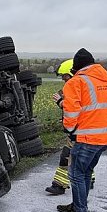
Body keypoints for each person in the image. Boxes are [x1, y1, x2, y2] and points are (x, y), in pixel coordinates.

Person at [56, 48, 107, 212]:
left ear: (76, 67)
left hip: (87, 138)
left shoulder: (76, 82)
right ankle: (78, 204)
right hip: (106, 137)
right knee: (85, 172)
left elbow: (71, 111)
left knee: (76, 174)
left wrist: (70, 129)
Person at [44, 59, 75, 196]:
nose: (64, 80)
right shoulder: (81, 87)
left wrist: (60, 102)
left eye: (65, 77)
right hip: (83, 130)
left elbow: (73, 108)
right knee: (84, 156)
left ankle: (59, 185)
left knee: (66, 156)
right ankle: (90, 179)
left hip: (78, 130)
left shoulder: (76, 88)